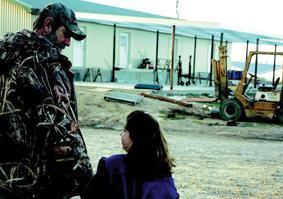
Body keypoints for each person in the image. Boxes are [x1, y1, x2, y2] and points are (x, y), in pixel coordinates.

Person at [0, 3, 92, 199]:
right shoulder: (46, 65)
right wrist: (83, 176)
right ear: (48, 24)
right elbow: (60, 127)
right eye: (65, 34)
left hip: (5, 177)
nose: (68, 42)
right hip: (35, 178)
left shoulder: (4, 55)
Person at [85, 110, 179, 199]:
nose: (121, 134)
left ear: (136, 136)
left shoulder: (112, 166)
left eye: (125, 130)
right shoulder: (164, 173)